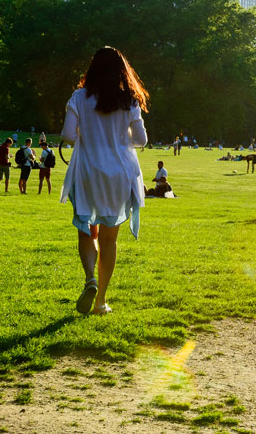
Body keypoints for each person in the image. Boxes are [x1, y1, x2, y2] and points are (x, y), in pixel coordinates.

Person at [60, 46, 150, 316]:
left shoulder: (79, 97)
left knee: (86, 230)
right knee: (110, 239)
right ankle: (100, 301)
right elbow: (141, 140)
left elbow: (68, 135)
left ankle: (90, 278)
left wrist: (87, 133)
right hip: (119, 173)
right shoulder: (130, 101)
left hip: (88, 170)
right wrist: (120, 138)